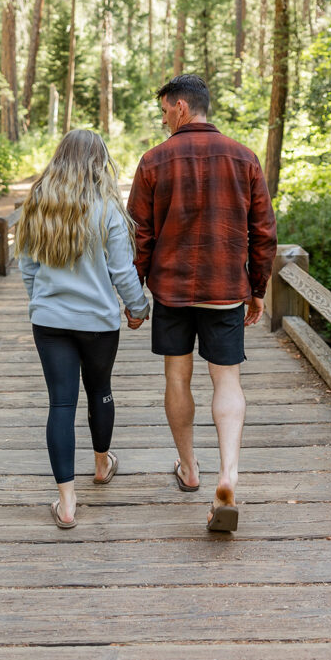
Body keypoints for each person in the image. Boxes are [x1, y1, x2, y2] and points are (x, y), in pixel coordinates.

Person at [127, 74, 277, 532]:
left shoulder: (153, 161)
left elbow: (140, 235)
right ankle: (227, 477)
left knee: (178, 375)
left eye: (165, 110)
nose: (164, 119)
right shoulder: (245, 158)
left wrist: (136, 294)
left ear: (181, 108)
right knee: (227, 382)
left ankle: (189, 470)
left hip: (172, 290)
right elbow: (264, 234)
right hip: (224, 289)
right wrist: (256, 288)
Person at [16, 129, 150, 529]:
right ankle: (101, 465)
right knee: (100, 390)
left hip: (50, 321)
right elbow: (122, 270)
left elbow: (27, 268)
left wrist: (40, 301)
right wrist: (138, 308)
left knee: (60, 404)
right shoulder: (107, 207)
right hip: (98, 322)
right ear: (98, 161)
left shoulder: (38, 203)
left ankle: (67, 502)